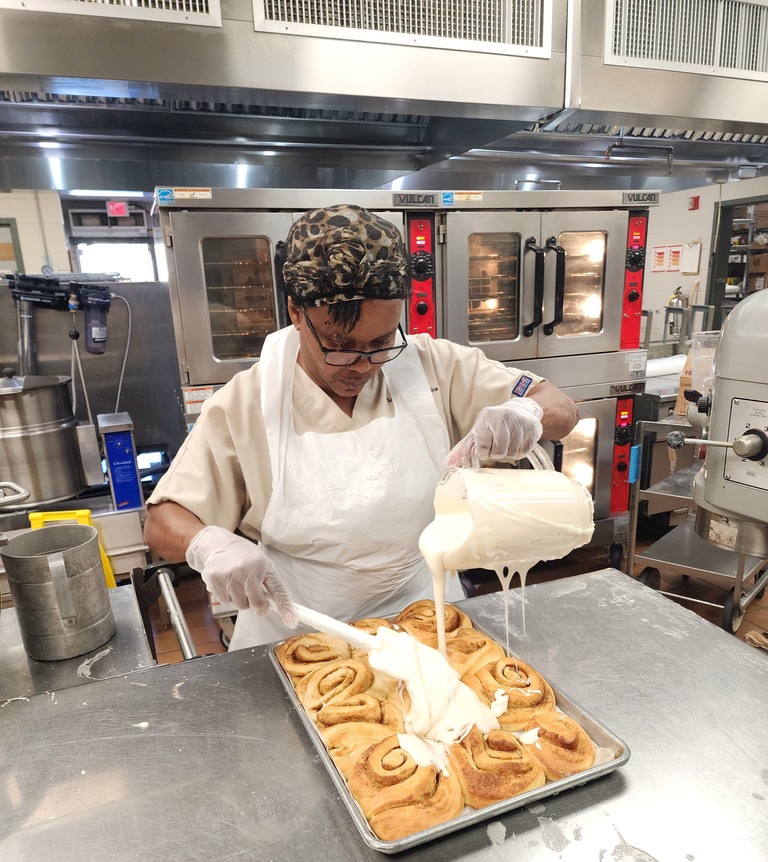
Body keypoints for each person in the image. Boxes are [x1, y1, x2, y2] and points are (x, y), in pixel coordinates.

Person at [143, 204, 579, 648]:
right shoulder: (245, 403)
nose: (363, 365)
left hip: (422, 626)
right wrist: (208, 544)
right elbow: (162, 520)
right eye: (340, 346)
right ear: (296, 312)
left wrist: (529, 413)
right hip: (297, 637)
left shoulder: (434, 367)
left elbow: (560, 405)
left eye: (381, 343)